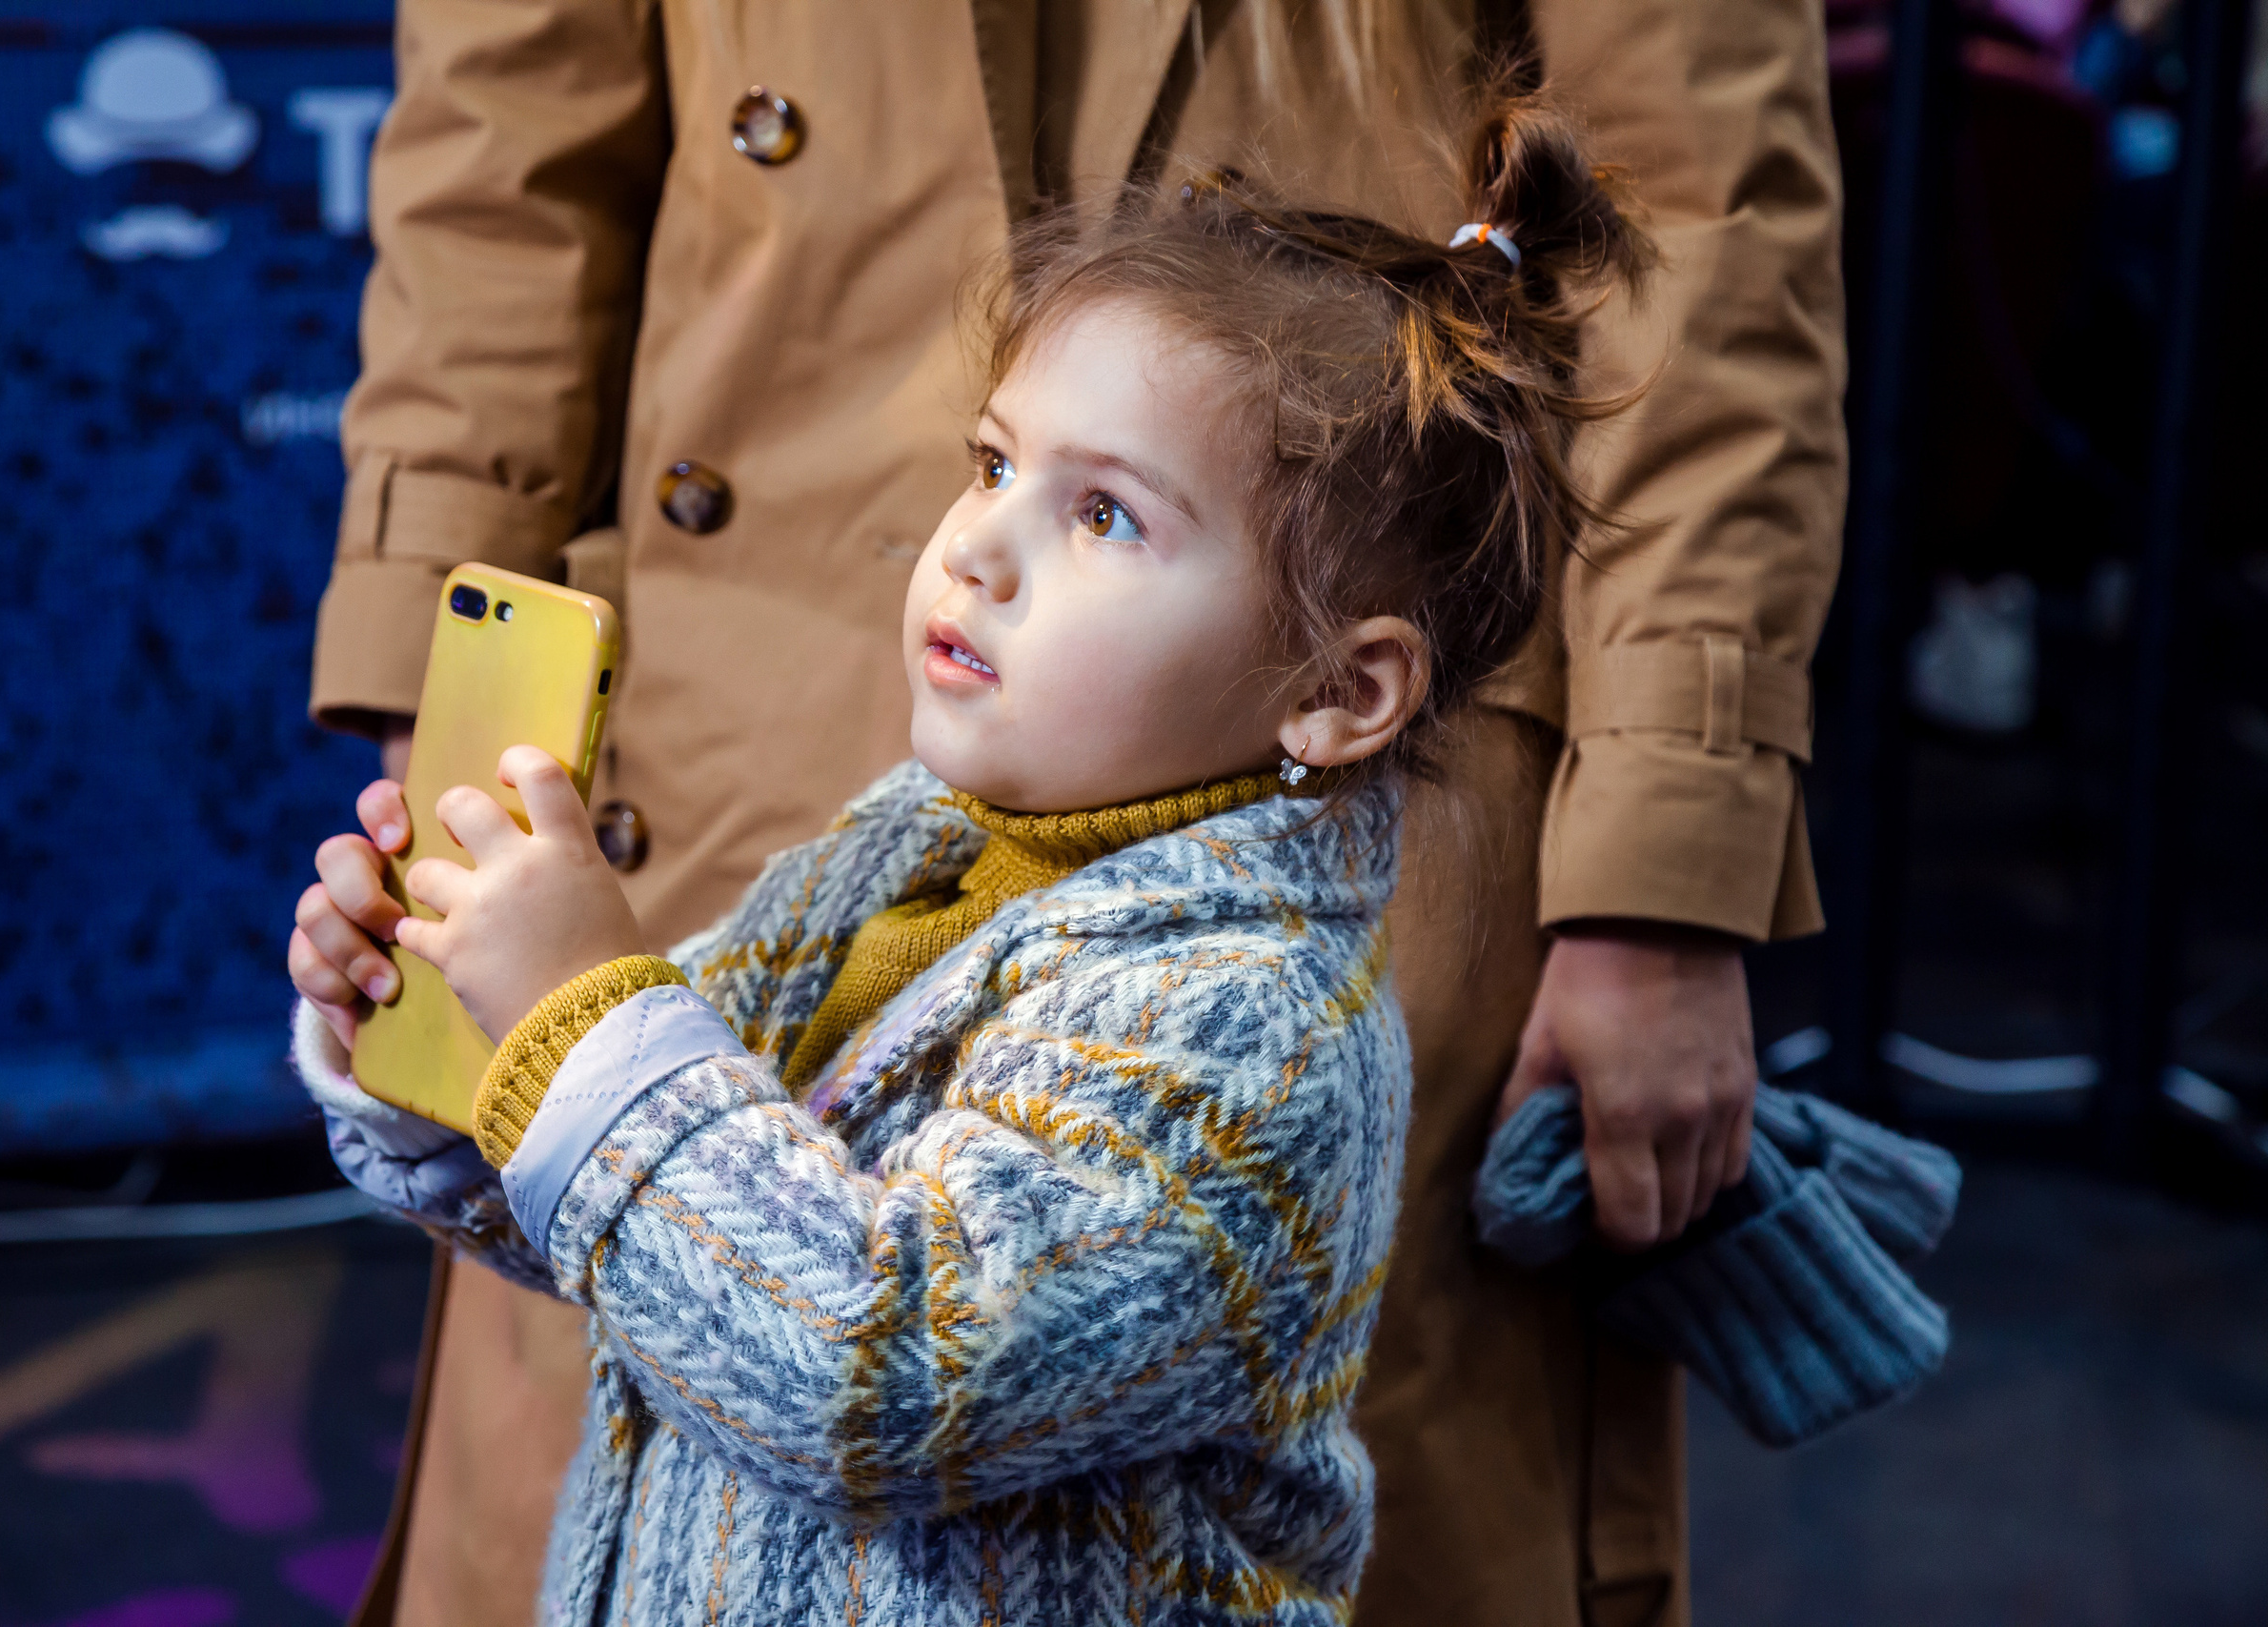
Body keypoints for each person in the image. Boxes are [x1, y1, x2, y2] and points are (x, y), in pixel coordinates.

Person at [305, 4, 1843, 1621]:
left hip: (1338, 549)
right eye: (985, 465)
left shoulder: (1251, 1036)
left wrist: (1671, 857)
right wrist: (455, 1067)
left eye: (1097, 510)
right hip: (725, 674)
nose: (969, 543)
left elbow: (876, 1363)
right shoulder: (886, 871)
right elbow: (623, 1205)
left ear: (1350, 689)